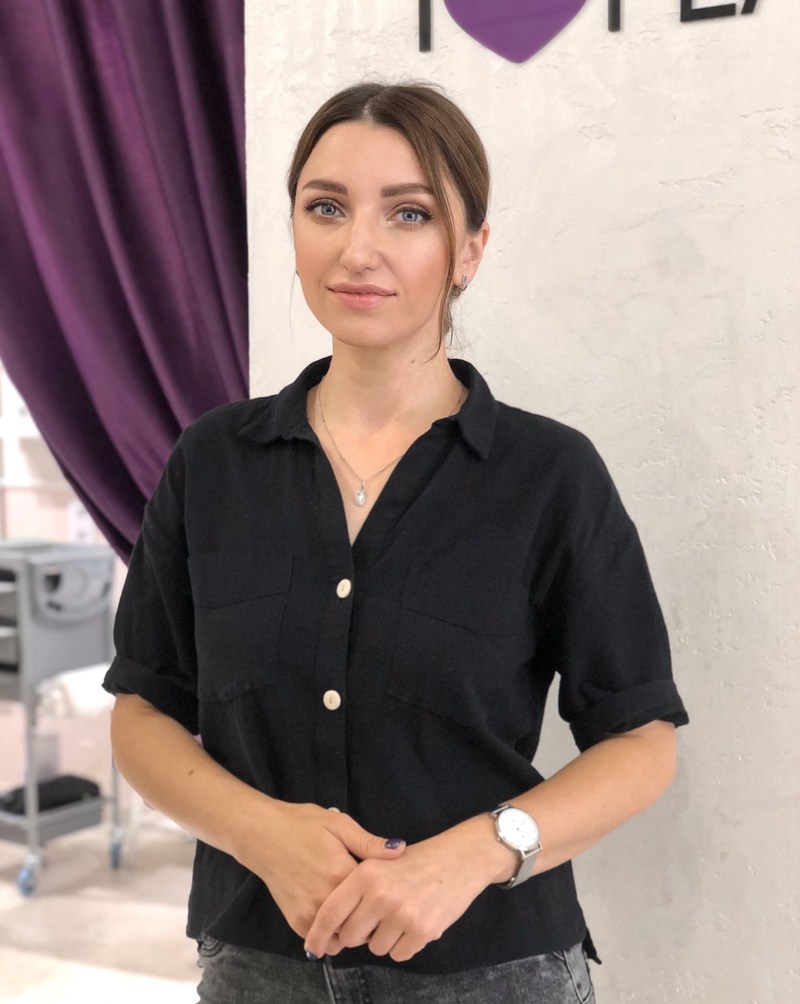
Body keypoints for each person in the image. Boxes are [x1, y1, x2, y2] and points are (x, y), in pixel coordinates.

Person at [105, 82, 688, 1003]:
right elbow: (143, 710)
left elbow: (641, 740)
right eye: (326, 207)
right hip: (258, 964)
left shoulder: (549, 475)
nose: (358, 249)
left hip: (494, 970)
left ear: (470, 251)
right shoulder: (213, 461)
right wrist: (261, 834)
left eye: (408, 213)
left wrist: (474, 854)